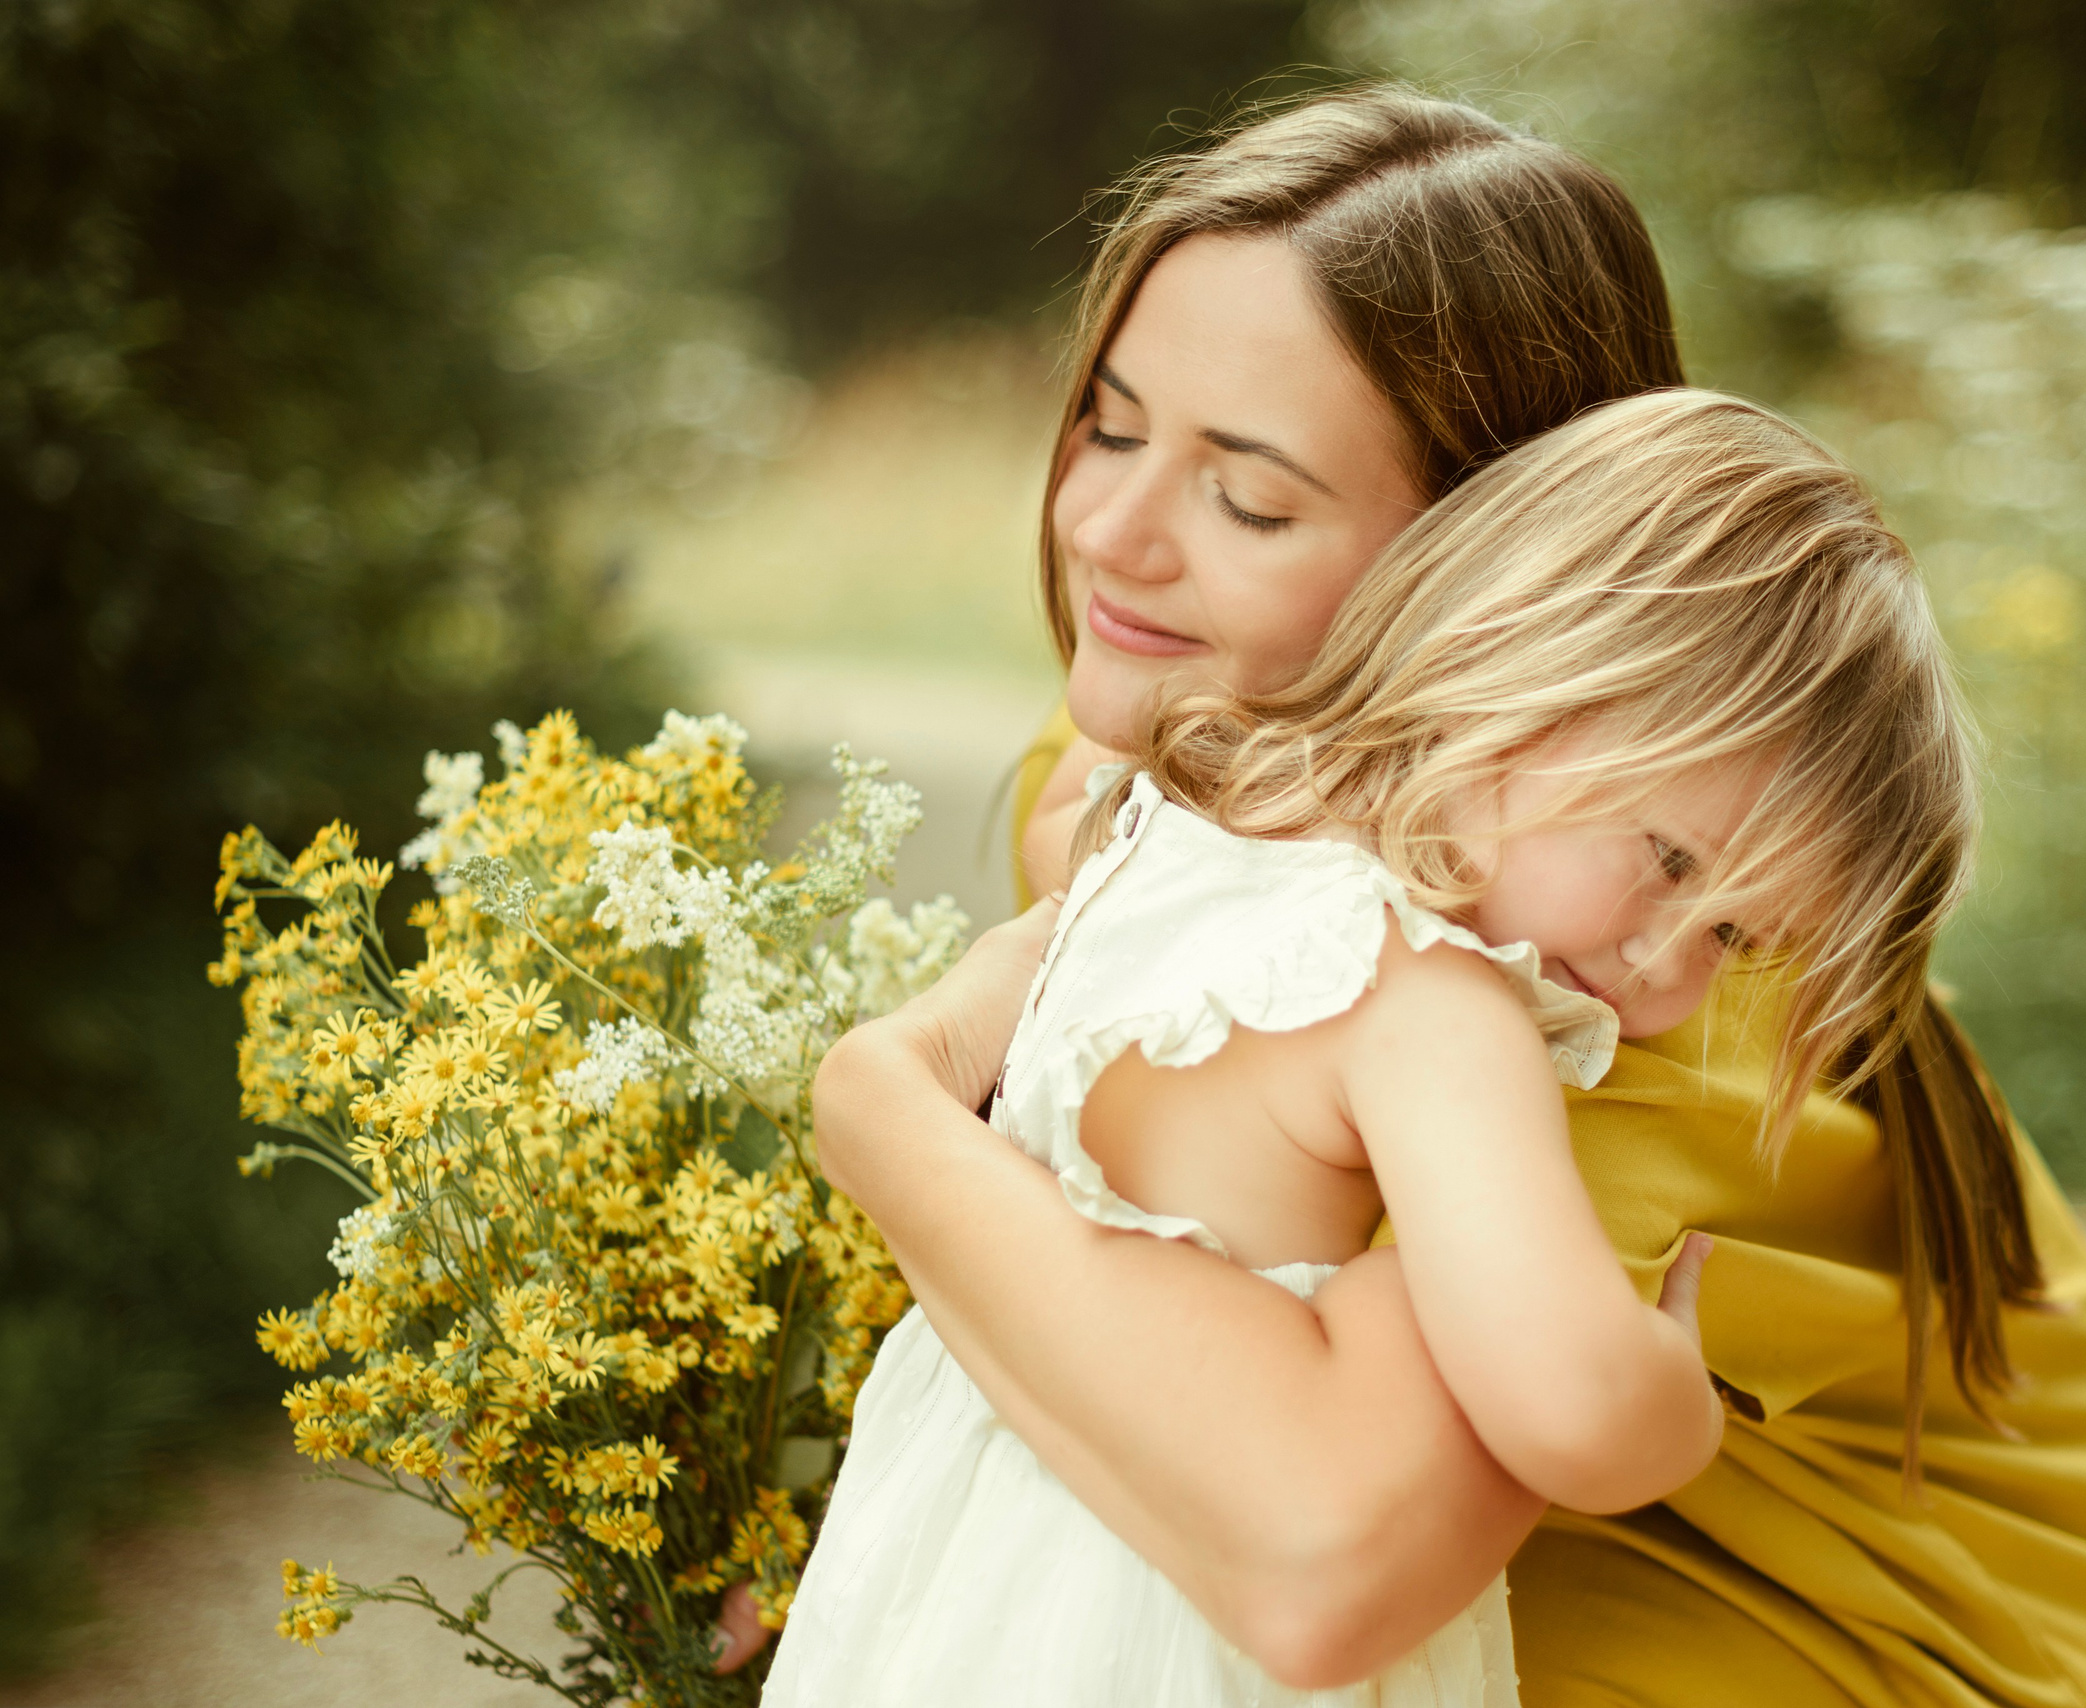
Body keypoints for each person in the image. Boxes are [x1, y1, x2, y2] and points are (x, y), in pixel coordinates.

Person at [804, 89, 2086, 1708]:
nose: (1110, 533)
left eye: (1253, 498)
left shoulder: (1579, 985)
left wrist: (880, 1110)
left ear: (1500, 566)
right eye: (1113, 427)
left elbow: (1316, 1565)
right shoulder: (1141, 794)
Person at [778, 384, 1980, 1703]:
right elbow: (1571, 1407)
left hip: (957, 1575)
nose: (1659, 967)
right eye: (1669, 859)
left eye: (1734, 943)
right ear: (1526, 658)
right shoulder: (1438, 1013)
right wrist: (1674, 1390)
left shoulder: (1150, 827)